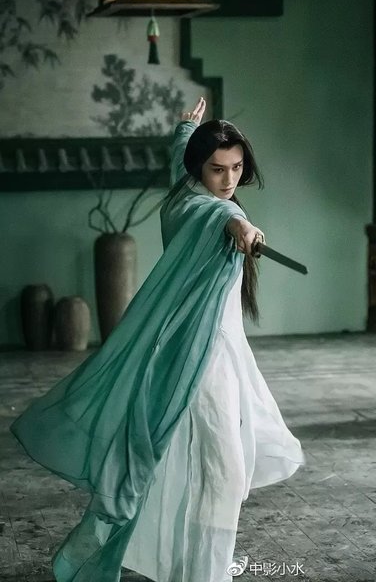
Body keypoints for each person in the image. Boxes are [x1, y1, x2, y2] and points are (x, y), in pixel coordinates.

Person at [10, 96, 305, 582]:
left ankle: (197, 563)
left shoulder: (187, 184)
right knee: (225, 470)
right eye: (217, 170)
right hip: (196, 360)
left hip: (220, 355)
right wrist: (240, 223)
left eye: (236, 168)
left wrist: (184, 130)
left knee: (196, 465)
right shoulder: (197, 207)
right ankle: (205, 569)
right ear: (199, 169)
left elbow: (184, 168)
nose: (228, 181)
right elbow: (212, 214)